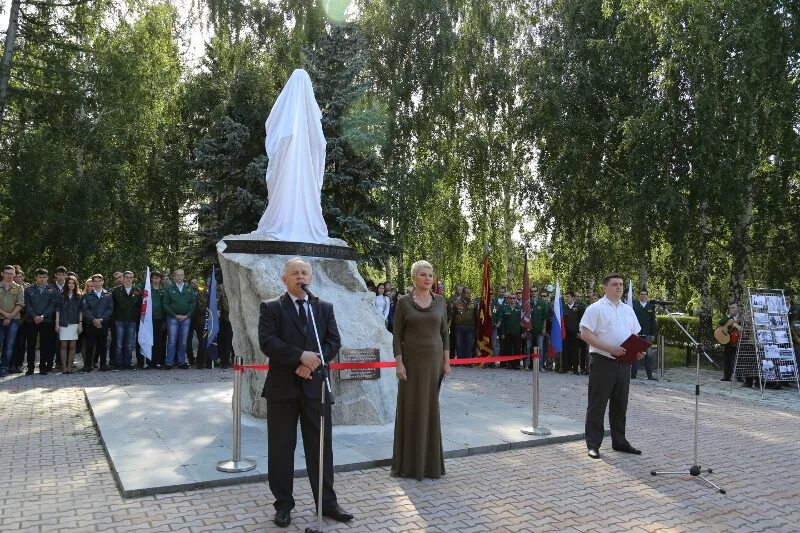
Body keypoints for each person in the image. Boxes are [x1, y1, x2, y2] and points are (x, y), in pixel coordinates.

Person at [258, 258, 352, 528]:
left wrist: (312, 363)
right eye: (295, 273)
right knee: (281, 449)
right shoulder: (271, 307)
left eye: (305, 273)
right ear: (284, 278)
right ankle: (284, 505)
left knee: (321, 449)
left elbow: (333, 341)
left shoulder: (322, 307)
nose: (301, 277)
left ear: (311, 278)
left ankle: (327, 503)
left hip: (316, 388)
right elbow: (268, 342)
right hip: (282, 390)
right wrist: (299, 357)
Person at [391, 260, 449, 480]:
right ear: (414, 278)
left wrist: (446, 362)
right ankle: (408, 465)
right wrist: (399, 362)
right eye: (423, 275)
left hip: (434, 363)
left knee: (431, 410)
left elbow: (445, 334)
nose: (428, 278)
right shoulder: (403, 303)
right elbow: (397, 335)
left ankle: (431, 465)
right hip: (411, 364)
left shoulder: (441, 302)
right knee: (411, 409)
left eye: (430, 275)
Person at [580, 273, 645, 459]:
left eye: (621, 284)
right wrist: (611, 349)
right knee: (597, 404)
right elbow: (586, 334)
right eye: (615, 284)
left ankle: (620, 441)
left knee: (620, 405)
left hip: (624, 364)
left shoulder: (628, 310)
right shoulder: (595, 309)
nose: (619, 287)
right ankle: (593, 444)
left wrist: (638, 351)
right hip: (602, 362)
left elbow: (635, 336)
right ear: (605, 287)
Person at [24, 269, 58, 375]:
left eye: (44, 277)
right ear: (36, 277)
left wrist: (42, 316)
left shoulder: (52, 289)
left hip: (46, 321)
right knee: (31, 344)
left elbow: (52, 305)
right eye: (40, 277)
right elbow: (27, 305)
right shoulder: (29, 289)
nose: (42, 279)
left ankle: (43, 366)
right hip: (31, 320)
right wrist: (35, 316)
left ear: (47, 278)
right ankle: (30, 367)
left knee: (45, 344)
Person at [164, 268, 196, 369]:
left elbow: (192, 303)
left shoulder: (189, 288)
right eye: (177, 275)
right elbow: (166, 304)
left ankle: (181, 362)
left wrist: (187, 315)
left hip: (186, 318)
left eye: (181, 275)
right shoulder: (169, 288)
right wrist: (174, 315)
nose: (179, 277)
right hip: (173, 318)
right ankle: (169, 362)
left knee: (183, 341)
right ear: (174, 276)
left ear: (184, 276)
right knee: (172, 340)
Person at [111, 271, 142, 370]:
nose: (129, 279)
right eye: (127, 277)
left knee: (129, 344)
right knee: (119, 343)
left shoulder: (137, 291)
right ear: (123, 278)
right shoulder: (116, 290)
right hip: (119, 320)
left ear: (133, 279)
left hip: (132, 320)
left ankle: (127, 363)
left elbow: (140, 307)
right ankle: (118, 363)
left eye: (131, 277)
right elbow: (113, 307)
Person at [81, 274, 112, 372]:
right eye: (95, 281)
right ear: (92, 283)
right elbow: (85, 310)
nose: (97, 283)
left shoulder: (108, 295)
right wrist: (94, 319)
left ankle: (103, 365)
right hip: (91, 324)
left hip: (103, 323)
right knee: (89, 344)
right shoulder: (87, 295)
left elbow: (110, 309)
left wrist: (101, 319)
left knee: (103, 345)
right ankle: (87, 366)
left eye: (99, 281)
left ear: (102, 282)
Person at [55, 275, 83, 374]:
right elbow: (57, 309)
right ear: (66, 284)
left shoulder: (79, 296)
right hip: (63, 323)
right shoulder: (61, 295)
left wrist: (80, 324)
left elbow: (80, 311)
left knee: (72, 346)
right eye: (69, 283)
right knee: (63, 345)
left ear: (76, 284)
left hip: (75, 323)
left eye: (73, 283)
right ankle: (64, 367)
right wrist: (57, 324)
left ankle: (70, 367)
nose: (71, 285)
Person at [0, 265, 25, 377]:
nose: (9, 275)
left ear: (14, 274)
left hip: (13, 320)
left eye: (11, 273)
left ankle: (4, 367)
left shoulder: (19, 288)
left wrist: (9, 317)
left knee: (9, 344)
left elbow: (20, 304)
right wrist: (6, 315)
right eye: (7, 273)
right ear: (2, 274)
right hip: (1, 318)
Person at [632, 288, 658, 380]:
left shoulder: (651, 306)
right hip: (637, 334)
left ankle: (649, 375)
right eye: (642, 294)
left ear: (647, 296)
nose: (643, 296)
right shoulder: (634, 305)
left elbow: (653, 321)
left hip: (647, 334)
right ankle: (633, 374)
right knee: (635, 353)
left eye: (645, 294)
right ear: (639, 295)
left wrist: (653, 334)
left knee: (648, 355)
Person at [10, 267, 29, 374]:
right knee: (11, 343)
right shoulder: (10, 287)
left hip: (24, 320)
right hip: (12, 317)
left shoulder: (28, 288)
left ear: (23, 277)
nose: (17, 278)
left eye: (20, 276)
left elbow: (29, 305)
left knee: (21, 343)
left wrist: (23, 318)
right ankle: (11, 364)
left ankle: (19, 364)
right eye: (15, 276)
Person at [450, 287, 477, 359]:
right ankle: (460, 361)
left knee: (469, 344)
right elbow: (452, 315)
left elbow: (476, 316)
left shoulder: (474, 303)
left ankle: (468, 361)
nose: (469, 295)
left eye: (470, 293)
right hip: (459, 327)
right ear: (463, 293)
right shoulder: (456, 303)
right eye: (468, 293)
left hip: (470, 327)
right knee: (459, 344)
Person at [498, 292, 522, 369]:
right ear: (508, 299)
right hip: (507, 332)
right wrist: (502, 333)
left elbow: (523, 322)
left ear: (516, 299)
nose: (512, 300)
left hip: (517, 332)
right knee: (508, 348)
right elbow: (502, 322)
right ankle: (509, 364)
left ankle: (517, 364)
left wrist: (523, 332)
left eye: (514, 298)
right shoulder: (504, 308)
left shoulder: (520, 308)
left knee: (517, 348)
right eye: (510, 298)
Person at [719, 303, 741, 382]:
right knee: (727, 359)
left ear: (737, 309)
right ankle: (727, 377)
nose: (731, 309)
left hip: (738, 340)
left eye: (733, 308)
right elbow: (721, 322)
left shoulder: (741, 317)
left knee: (739, 359)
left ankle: (740, 377)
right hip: (728, 340)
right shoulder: (728, 317)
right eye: (730, 308)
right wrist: (728, 316)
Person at [562, 291, 583, 374]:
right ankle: (565, 368)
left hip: (575, 332)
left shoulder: (579, 308)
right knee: (565, 350)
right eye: (565, 297)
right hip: (565, 333)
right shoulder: (563, 307)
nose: (566, 298)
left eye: (568, 297)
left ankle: (575, 369)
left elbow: (581, 320)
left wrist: (580, 331)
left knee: (575, 351)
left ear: (573, 298)